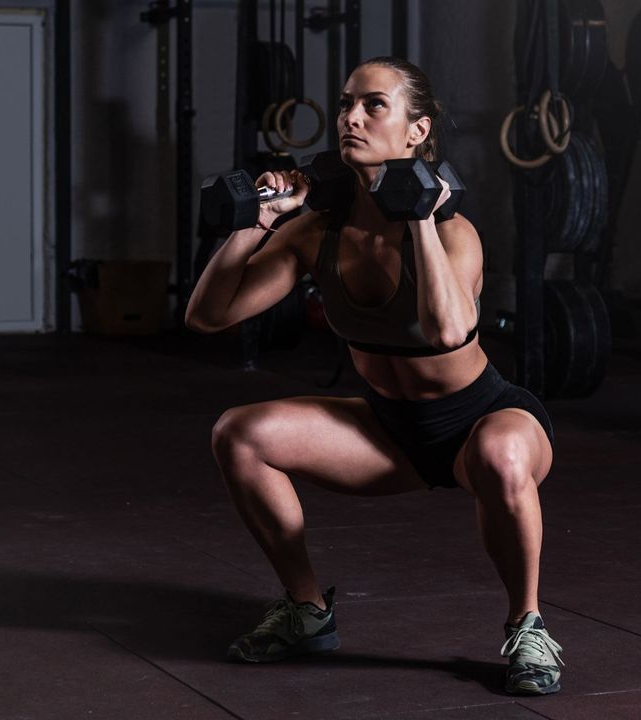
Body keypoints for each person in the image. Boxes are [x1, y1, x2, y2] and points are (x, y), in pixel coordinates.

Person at [184, 56, 564, 696]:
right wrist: (258, 222)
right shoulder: (316, 233)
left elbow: (448, 330)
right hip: (389, 429)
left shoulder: (455, 231)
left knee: (501, 456)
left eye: (373, 105)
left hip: (481, 420)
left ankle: (527, 623)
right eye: (345, 104)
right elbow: (209, 316)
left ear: (417, 131)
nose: (350, 118)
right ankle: (307, 610)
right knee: (239, 433)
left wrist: (415, 215)